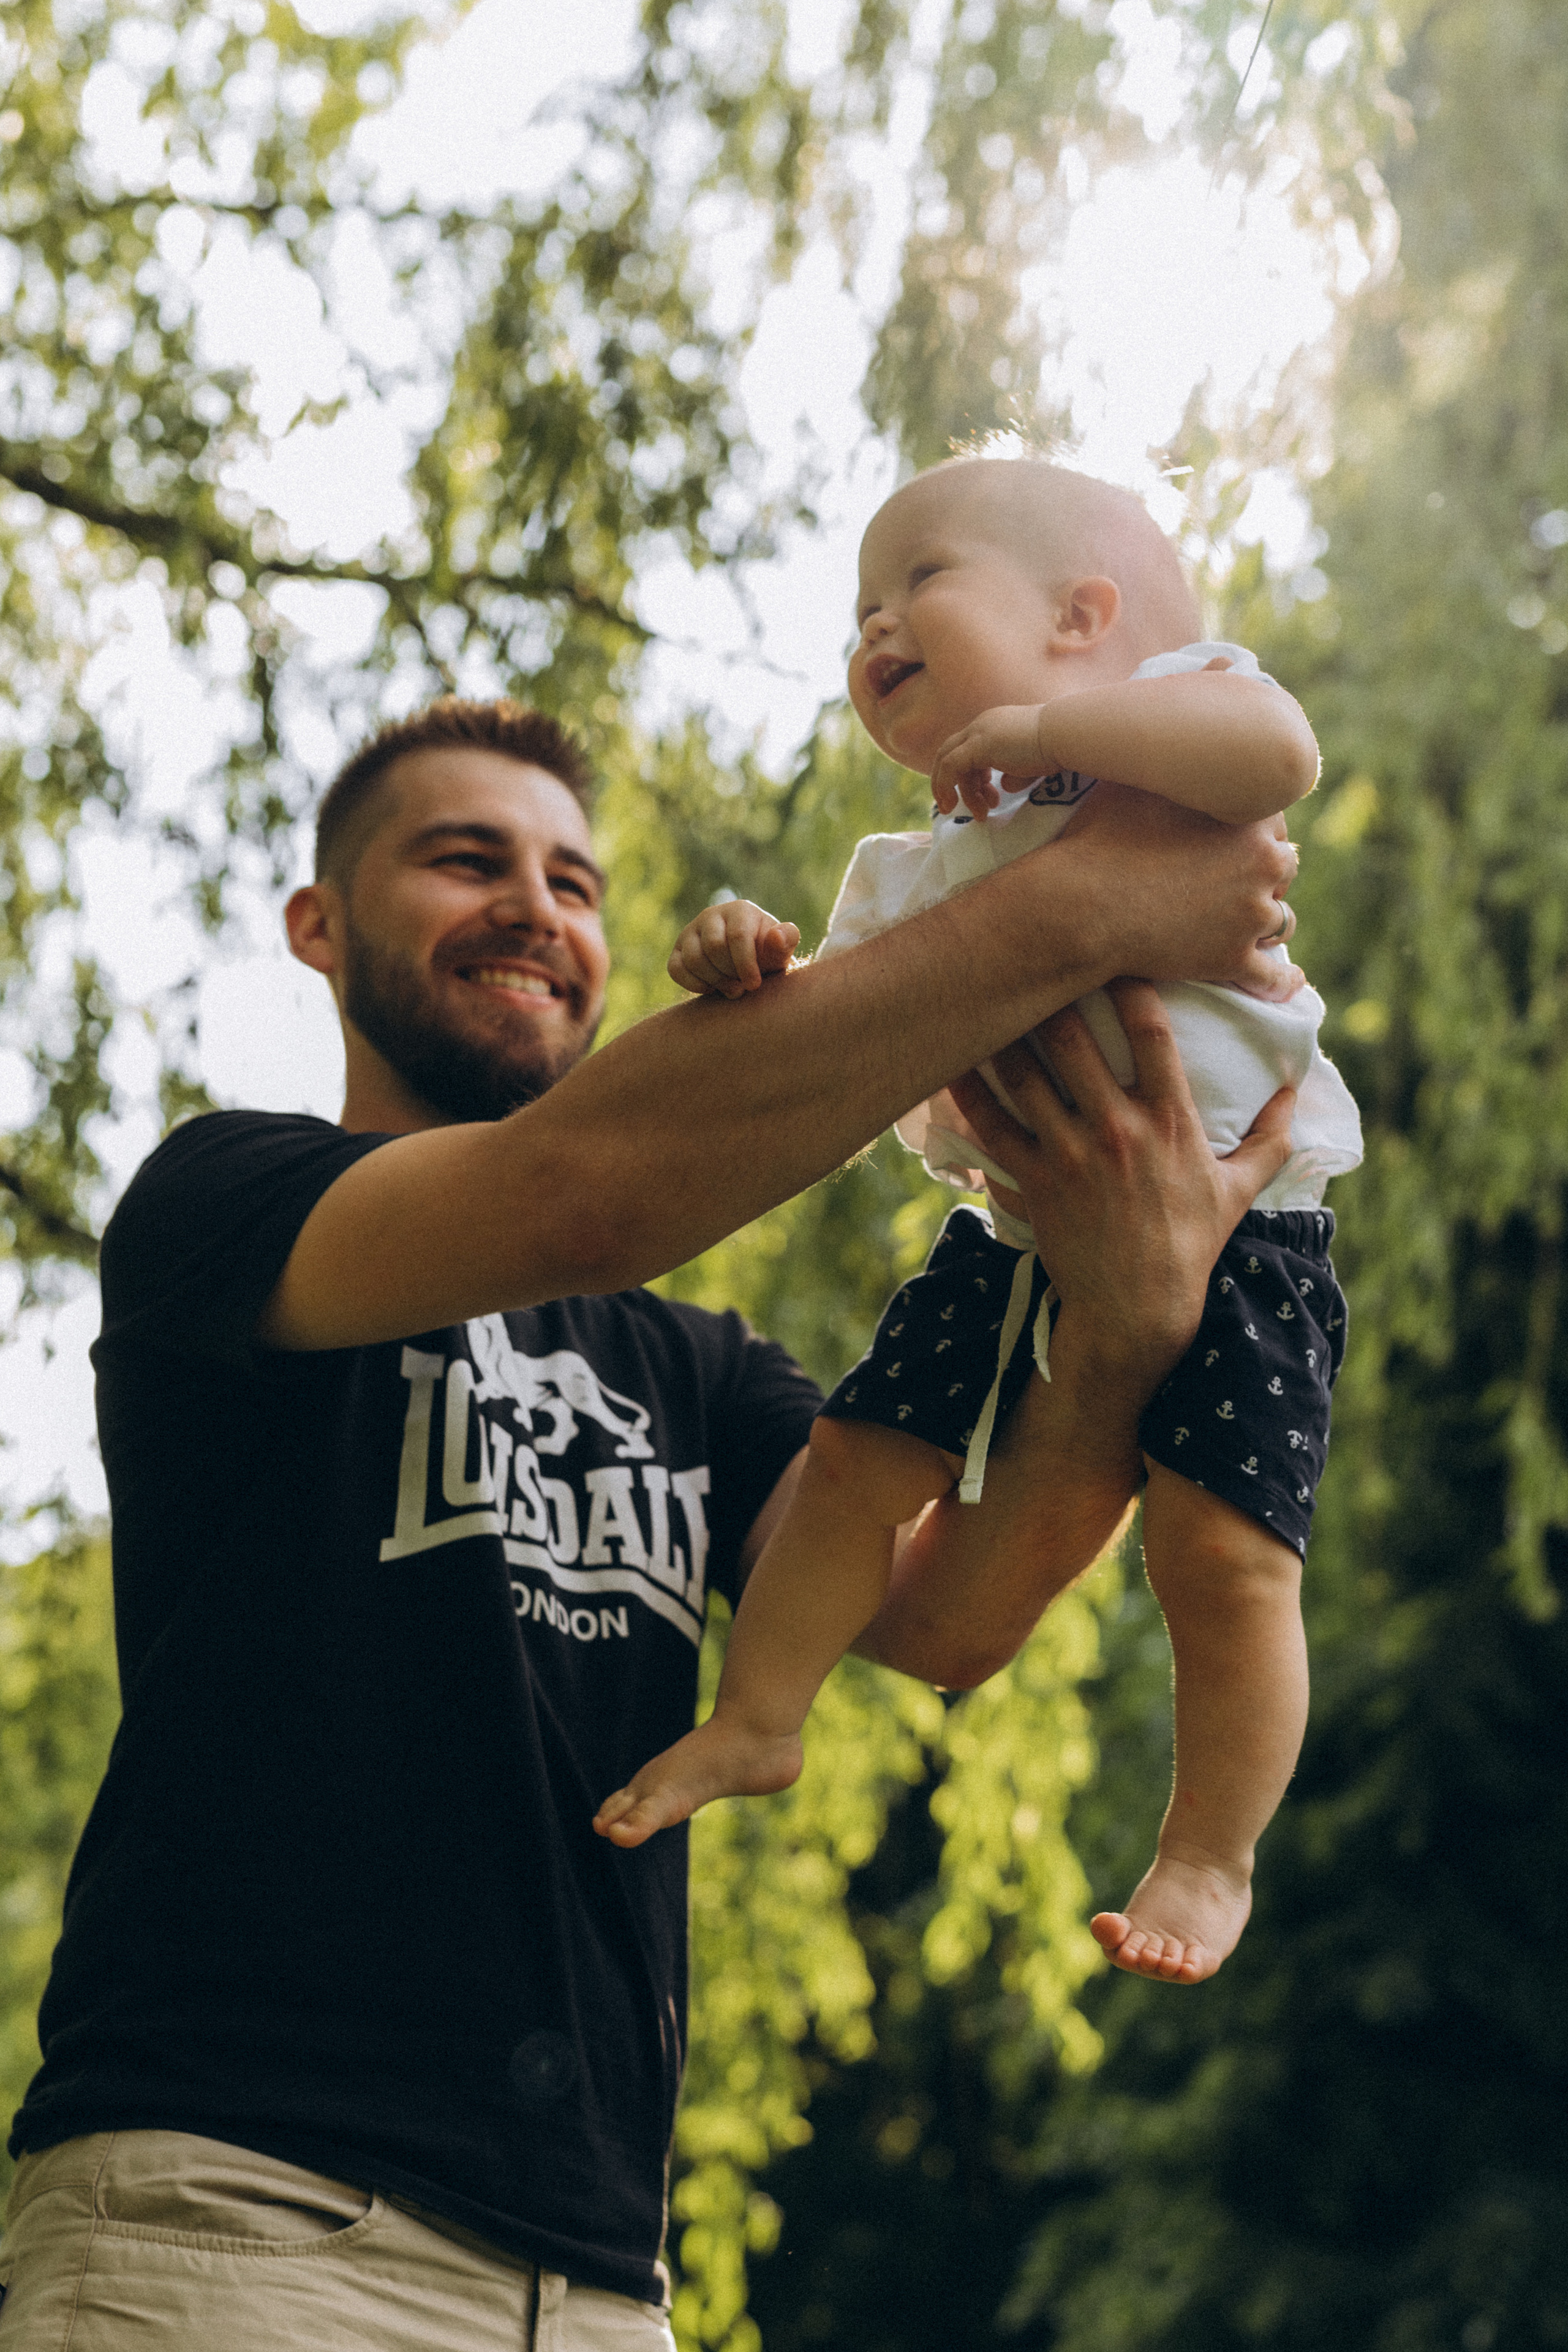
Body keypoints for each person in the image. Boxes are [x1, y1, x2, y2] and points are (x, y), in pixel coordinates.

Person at [0, 683, 1299, 2351]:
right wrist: (1089, 898)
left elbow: (949, 1617)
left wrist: (1119, 1336)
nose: (535, 909)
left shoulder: (691, 1372)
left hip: (602, 2281)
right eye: (467, 861)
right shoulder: (221, 1212)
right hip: (245, 2220)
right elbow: (583, 1192)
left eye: (574, 881)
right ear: (319, 926)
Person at [595, 458, 1360, 1989]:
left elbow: (1277, 750)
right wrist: (745, 958)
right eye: (854, 614)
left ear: (1083, 619)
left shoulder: (1171, 745)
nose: (871, 627)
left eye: (916, 584)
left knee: (1224, 1560)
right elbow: (815, 1040)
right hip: (1011, 1242)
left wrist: (1055, 733)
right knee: (844, 1465)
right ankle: (759, 1716)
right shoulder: (912, 874)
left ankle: (1208, 1852)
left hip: (1251, 1230)